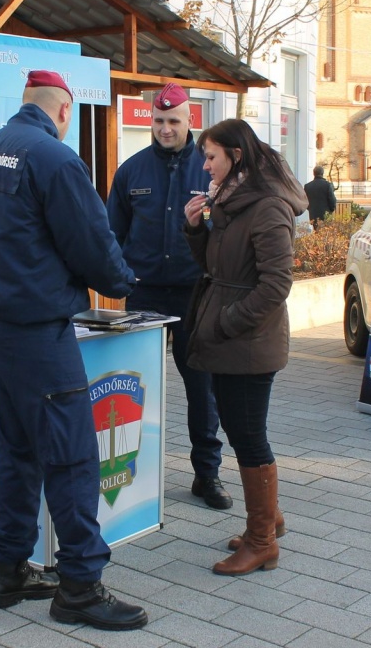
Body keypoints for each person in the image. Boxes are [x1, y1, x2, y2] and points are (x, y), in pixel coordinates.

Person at [0, 69, 147, 631]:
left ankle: (8, 569)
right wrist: (122, 281)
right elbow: (91, 242)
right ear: (64, 110)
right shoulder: (55, 159)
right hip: (39, 330)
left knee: (14, 447)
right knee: (71, 454)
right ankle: (81, 587)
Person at [182, 118, 308, 577]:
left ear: (236, 155)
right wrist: (197, 229)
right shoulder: (231, 201)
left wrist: (227, 322)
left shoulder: (267, 206)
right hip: (230, 336)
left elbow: (276, 284)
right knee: (242, 432)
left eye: (211, 156)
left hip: (249, 341)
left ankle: (262, 542)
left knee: (248, 435)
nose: (206, 166)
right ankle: (268, 520)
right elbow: (218, 265)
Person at [106, 83, 230, 511]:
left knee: (202, 388)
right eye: (158, 121)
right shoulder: (131, 171)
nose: (164, 128)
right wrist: (121, 279)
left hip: (196, 294)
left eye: (173, 121)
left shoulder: (211, 169)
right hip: (145, 295)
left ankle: (206, 475)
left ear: (190, 120)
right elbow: (111, 235)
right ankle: (133, 473)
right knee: (138, 387)